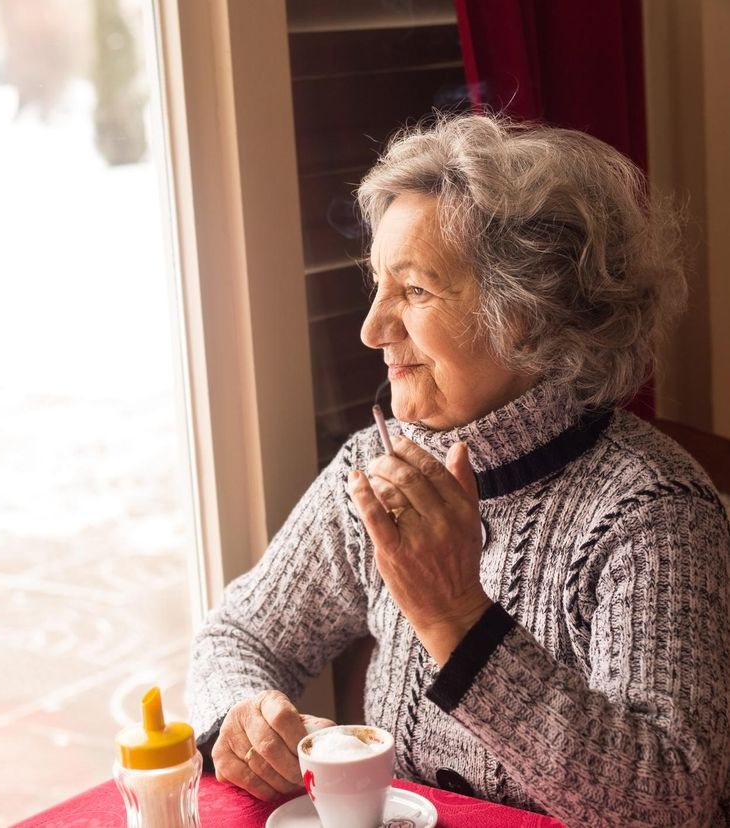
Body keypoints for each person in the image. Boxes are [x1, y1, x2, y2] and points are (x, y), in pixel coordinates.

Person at [187, 114, 730, 826]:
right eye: (378, 286)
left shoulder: (652, 510)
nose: (373, 329)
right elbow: (239, 636)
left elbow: (673, 801)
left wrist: (457, 620)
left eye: (413, 291)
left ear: (528, 315)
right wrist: (242, 717)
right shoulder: (376, 466)